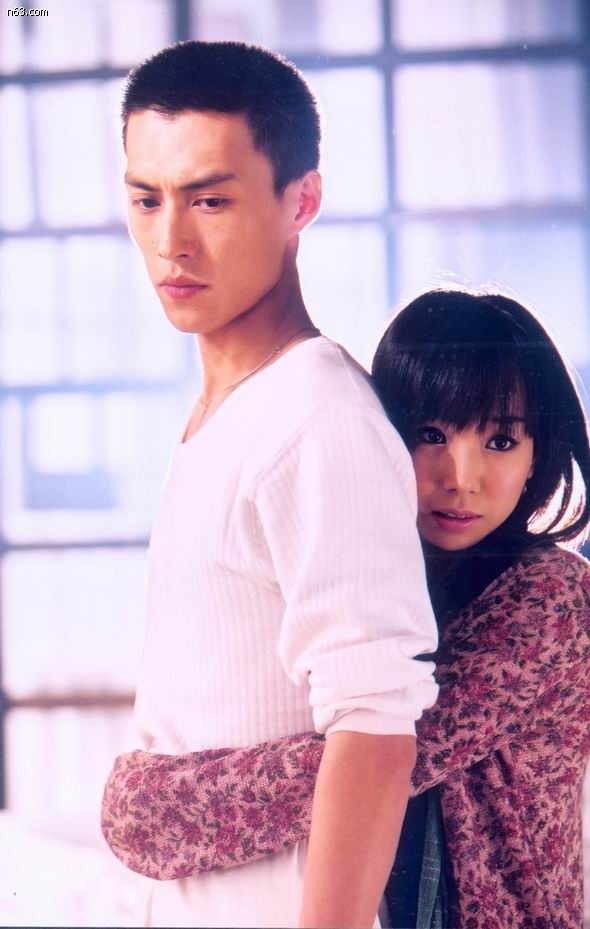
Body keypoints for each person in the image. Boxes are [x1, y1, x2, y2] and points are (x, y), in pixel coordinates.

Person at [103, 289, 590, 929]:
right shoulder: (382, 575)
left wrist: (147, 805)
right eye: (430, 435)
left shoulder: (552, 598)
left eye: (500, 441)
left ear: (537, 457)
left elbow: (370, 764)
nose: (461, 477)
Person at [113, 39, 438, 929]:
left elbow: (376, 728)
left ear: (303, 201)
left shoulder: (317, 416)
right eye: (147, 199)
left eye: (210, 199)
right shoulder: (232, 409)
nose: (171, 243)